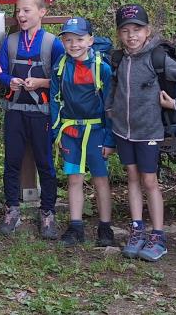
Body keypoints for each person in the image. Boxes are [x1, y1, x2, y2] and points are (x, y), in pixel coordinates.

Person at [106, 5, 176, 262]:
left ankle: (158, 236)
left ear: (147, 31)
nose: (131, 36)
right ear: (119, 34)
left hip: (149, 131)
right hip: (123, 131)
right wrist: (110, 109)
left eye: (137, 29)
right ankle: (137, 230)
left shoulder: (156, 58)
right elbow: (113, 87)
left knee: (149, 181)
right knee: (132, 178)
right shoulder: (118, 58)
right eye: (125, 31)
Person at [0, 0, 65, 237]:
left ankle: (47, 211)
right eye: (18, 11)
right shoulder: (10, 41)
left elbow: (62, 78)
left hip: (42, 113)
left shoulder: (53, 43)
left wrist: (41, 83)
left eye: (26, 10)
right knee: (11, 161)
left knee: (45, 162)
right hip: (14, 111)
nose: (21, 15)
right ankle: (12, 208)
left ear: (42, 12)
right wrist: (10, 81)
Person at [51, 16, 116, 247]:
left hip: (96, 130)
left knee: (100, 179)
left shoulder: (102, 68)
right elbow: (55, 101)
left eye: (79, 39)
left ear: (90, 40)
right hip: (70, 131)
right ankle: (75, 226)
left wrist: (110, 138)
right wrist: (57, 133)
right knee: (74, 178)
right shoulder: (60, 67)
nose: (74, 44)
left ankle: (105, 227)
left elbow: (110, 106)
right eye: (68, 40)